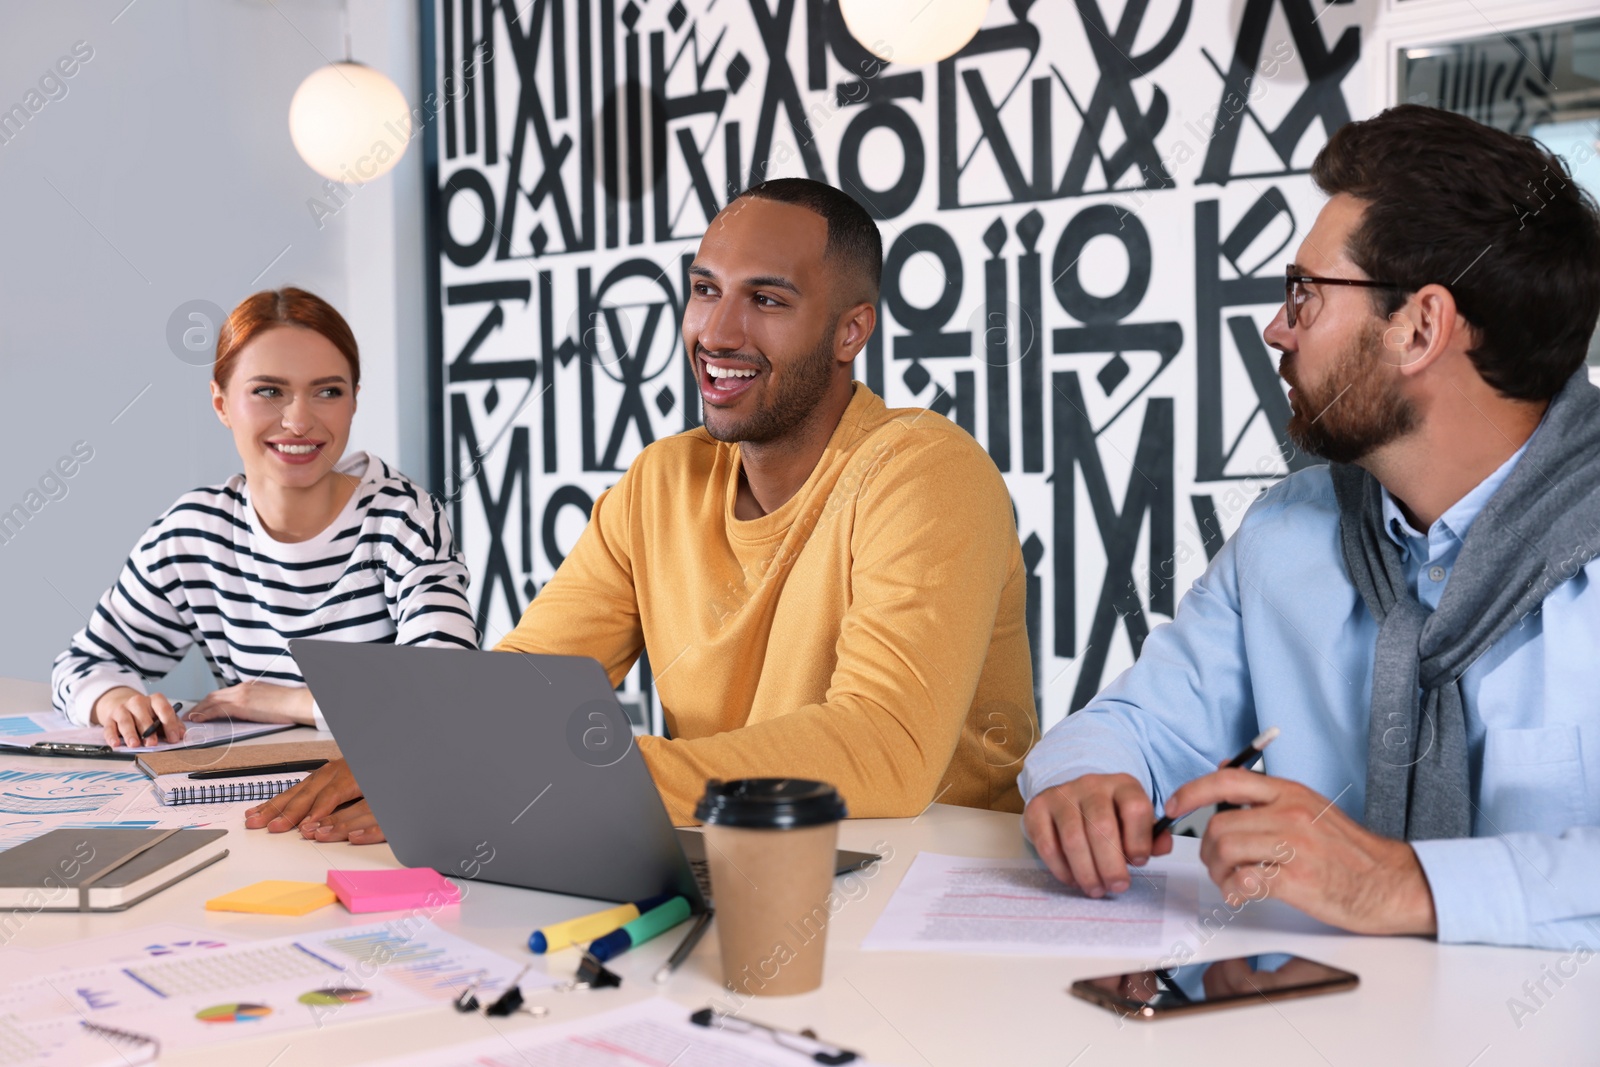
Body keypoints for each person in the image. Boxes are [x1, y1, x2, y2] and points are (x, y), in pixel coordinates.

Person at [248, 178, 1035, 843]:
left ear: (849, 332)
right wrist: (423, 749)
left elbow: (884, 750)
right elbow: (533, 680)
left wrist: (543, 773)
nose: (716, 331)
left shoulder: (923, 472)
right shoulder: (662, 481)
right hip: (737, 863)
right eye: (703, 290)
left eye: (766, 299)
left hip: (926, 895)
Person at [1020, 104, 1600, 951]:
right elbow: (1140, 725)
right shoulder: (1288, 534)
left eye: (1305, 293)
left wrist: (1403, 884)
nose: (1276, 328)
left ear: (1419, 328)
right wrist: (1086, 781)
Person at [52, 288, 479, 747]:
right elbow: (82, 664)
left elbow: (445, 689)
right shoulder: (194, 533)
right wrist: (115, 699)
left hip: (381, 791)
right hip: (251, 795)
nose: (298, 421)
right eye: (269, 392)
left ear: (354, 400)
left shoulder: (402, 519)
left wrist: (287, 701)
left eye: (328, 392)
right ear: (221, 404)